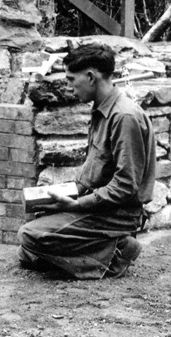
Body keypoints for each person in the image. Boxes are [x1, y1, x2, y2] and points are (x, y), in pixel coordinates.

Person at [17, 42, 156, 279]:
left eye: (72, 79)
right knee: (29, 242)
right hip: (99, 205)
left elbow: (125, 186)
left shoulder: (124, 117)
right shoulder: (100, 110)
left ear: (91, 77)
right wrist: (61, 195)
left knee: (30, 236)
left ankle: (117, 252)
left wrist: (76, 206)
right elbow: (94, 171)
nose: (69, 87)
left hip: (117, 214)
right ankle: (103, 247)